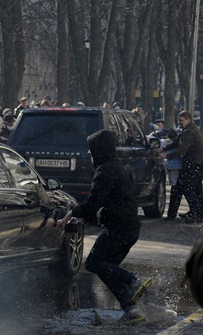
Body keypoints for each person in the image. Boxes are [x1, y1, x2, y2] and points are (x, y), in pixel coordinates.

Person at [57, 129, 152, 324]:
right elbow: (111, 201)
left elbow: (93, 203)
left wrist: (71, 214)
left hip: (118, 228)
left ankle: (134, 280)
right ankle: (131, 310)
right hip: (129, 227)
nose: (89, 153)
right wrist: (90, 217)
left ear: (99, 149)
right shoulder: (118, 166)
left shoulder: (105, 170)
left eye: (91, 149)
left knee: (92, 263)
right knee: (106, 269)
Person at [156, 111, 203, 223]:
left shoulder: (190, 132)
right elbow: (177, 142)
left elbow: (182, 148)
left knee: (188, 189)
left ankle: (196, 214)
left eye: (181, 120)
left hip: (193, 164)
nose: (179, 123)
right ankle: (196, 213)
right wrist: (163, 149)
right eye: (178, 120)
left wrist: (166, 155)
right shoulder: (188, 130)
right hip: (195, 164)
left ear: (188, 119)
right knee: (193, 189)